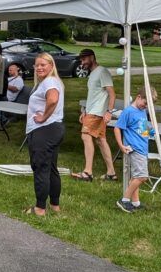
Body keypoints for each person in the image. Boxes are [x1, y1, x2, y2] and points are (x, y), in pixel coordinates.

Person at [24, 53, 65, 217]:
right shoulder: (50, 82)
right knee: (51, 168)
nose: (39, 68)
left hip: (45, 130)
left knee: (41, 168)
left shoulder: (50, 81)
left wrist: (43, 117)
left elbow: (53, 100)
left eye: (43, 65)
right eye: (37, 65)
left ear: (51, 66)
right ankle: (55, 205)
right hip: (54, 129)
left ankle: (40, 208)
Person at [71, 49, 117, 182]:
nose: (82, 63)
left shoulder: (102, 72)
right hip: (92, 111)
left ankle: (88, 172)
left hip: (97, 112)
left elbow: (112, 94)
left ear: (92, 57)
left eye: (84, 59)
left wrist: (109, 112)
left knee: (85, 136)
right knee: (101, 141)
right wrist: (85, 110)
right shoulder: (92, 74)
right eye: (81, 60)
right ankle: (111, 173)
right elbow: (94, 95)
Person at [114, 86, 156, 213]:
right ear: (138, 97)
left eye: (148, 105)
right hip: (134, 148)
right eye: (145, 103)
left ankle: (135, 202)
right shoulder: (128, 112)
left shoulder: (142, 111)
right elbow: (117, 128)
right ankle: (124, 200)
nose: (146, 106)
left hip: (143, 147)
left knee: (136, 176)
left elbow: (142, 126)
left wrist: (150, 130)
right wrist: (121, 145)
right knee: (142, 176)